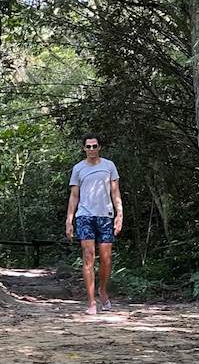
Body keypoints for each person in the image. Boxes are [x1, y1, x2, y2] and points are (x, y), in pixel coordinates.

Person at [65, 133, 123, 315]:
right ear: (84, 148)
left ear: (99, 148)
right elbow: (74, 196)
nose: (91, 149)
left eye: (94, 146)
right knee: (88, 256)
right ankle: (91, 302)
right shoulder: (78, 169)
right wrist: (69, 220)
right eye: (88, 146)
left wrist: (119, 214)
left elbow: (115, 193)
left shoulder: (109, 166)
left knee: (106, 258)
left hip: (105, 216)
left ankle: (103, 291)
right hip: (85, 217)